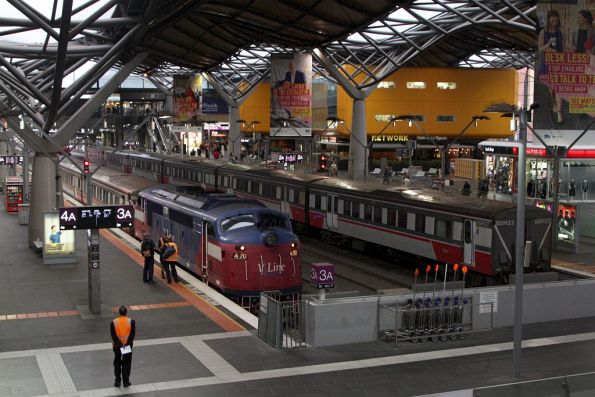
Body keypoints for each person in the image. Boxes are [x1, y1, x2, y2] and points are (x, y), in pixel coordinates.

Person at [537, 9, 564, 124]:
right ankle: (553, 103)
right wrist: (548, 45)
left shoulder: (560, 32)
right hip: (548, 62)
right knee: (551, 88)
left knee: (558, 88)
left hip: (558, 62)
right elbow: (540, 50)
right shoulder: (543, 32)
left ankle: (559, 112)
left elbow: (563, 48)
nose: (554, 19)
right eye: (552, 17)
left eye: (556, 17)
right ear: (548, 19)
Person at [110, 305, 135, 388]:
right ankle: (126, 381)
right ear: (126, 312)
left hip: (117, 347)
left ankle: (117, 381)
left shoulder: (114, 322)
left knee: (117, 362)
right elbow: (132, 335)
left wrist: (119, 345)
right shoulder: (131, 321)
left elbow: (113, 335)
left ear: (119, 312)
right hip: (127, 346)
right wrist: (126, 344)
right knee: (126, 363)